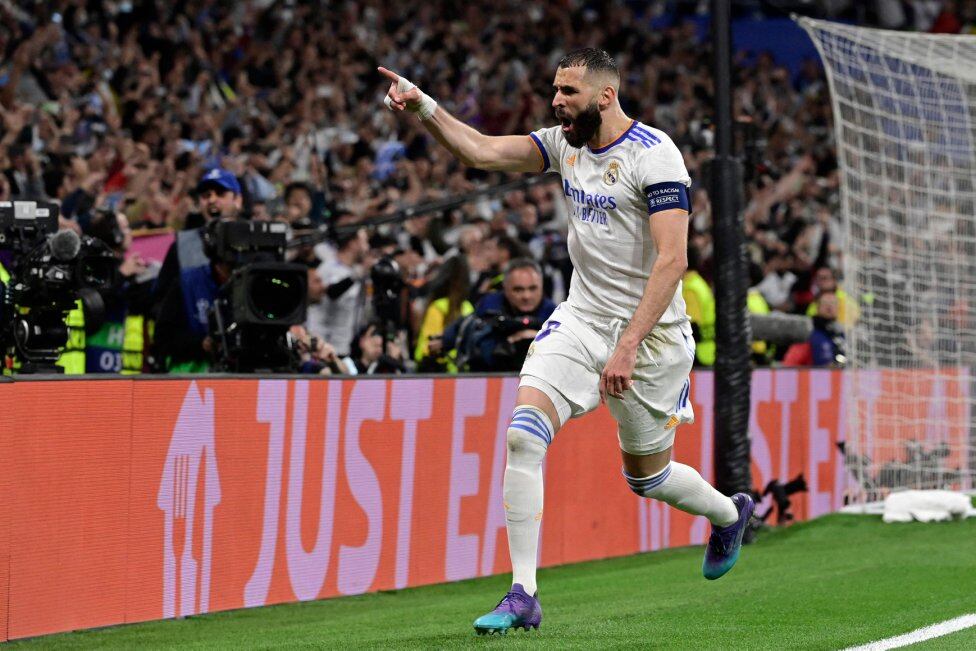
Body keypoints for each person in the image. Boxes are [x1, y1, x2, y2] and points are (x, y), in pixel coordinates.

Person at [380, 47, 754, 635]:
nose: (557, 101)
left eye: (569, 92)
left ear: (606, 95)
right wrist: (423, 104)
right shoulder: (564, 144)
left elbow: (673, 259)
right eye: (556, 89)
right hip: (582, 319)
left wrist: (629, 344)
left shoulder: (655, 157)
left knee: (648, 479)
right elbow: (480, 149)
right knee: (523, 434)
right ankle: (522, 593)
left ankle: (730, 514)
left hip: (652, 337)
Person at [440, 258, 555, 373]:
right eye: (518, 290)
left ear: (542, 287)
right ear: (505, 288)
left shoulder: (556, 314)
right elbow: (477, 347)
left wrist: (538, 341)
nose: (526, 296)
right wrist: (507, 344)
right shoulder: (489, 307)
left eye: (533, 288)